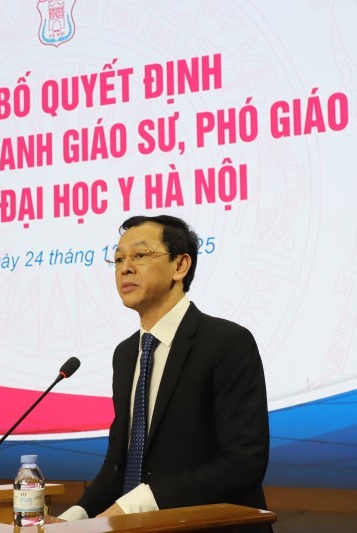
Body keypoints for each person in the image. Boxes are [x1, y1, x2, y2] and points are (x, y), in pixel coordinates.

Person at [50, 215, 272, 532]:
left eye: (140, 255)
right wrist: (69, 520)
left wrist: (137, 504)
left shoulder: (227, 342)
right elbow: (117, 467)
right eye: (118, 259)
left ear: (180, 266)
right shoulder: (126, 354)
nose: (125, 268)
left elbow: (243, 464)